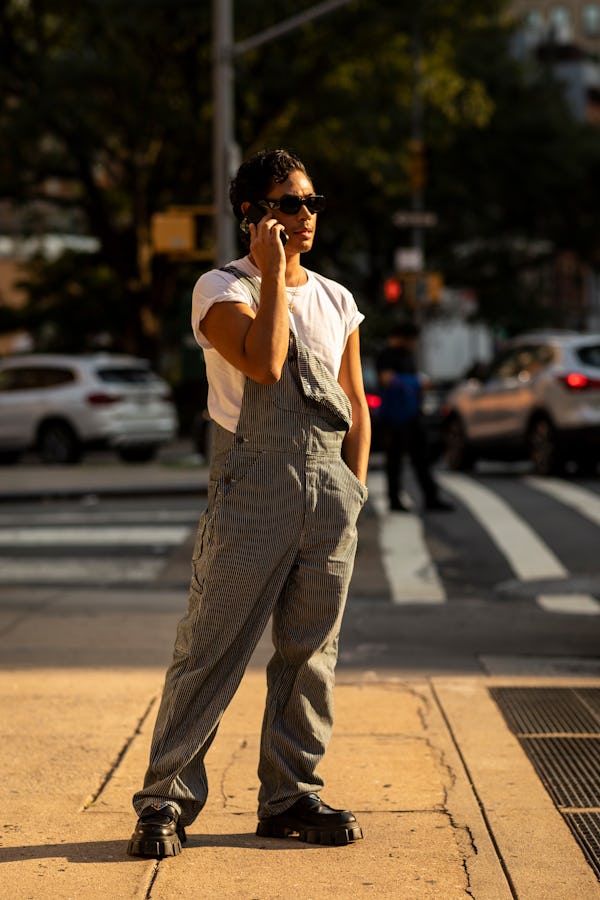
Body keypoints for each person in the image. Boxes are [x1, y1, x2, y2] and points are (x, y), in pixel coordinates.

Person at [127, 148, 371, 857]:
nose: (304, 217)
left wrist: (353, 491)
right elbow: (265, 365)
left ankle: (292, 794)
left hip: (331, 488)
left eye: (311, 204)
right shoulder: (220, 288)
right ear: (252, 214)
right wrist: (269, 279)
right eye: (289, 203)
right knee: (212, 646)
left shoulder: (336, 299)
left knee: (310, 652)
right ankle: (165, 802)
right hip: (253, 482)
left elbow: (354, 404)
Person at [376, 321, 453, 513]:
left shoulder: (407, 356)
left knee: (421, 458)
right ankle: (395, 500)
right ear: (404, 338)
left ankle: (431, 498)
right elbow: (386, 379)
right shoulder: (387, 355)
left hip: (412, 415)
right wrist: (416, 382)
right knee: (394, 460)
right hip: (394, 417)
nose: (415, 344)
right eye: (413, 340)